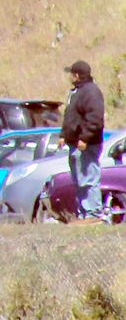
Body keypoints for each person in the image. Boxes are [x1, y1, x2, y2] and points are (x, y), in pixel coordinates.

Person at [64, 60, 106, 220]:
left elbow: (95, 119)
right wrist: (63, 135)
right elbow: (71, 117)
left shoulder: (91, 92)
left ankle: (93, 214)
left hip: (87, 145)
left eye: (71, 74)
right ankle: (84, 214)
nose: (69, 77)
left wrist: (85, 138)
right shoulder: (77, 92)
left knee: (89, 179)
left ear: (76, 75)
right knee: (79, 180)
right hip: (75, 144)